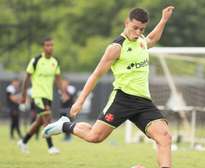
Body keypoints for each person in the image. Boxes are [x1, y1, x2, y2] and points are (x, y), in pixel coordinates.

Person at [43, 6, 174, 167]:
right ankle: (64, 125)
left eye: (142, 29)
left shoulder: (141, 42)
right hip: (122, 99)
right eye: (135, 28)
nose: (138, 32)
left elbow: (152, 39)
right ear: (127, 22)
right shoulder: (116, 47)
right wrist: (79, 101)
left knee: (165, 137)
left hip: (143, 102)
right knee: (94, 137)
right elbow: (96, 74)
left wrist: (163, 20)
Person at [18, 37, 68, 154]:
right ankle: (51, 147)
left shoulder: (54, 62)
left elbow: (58, 79)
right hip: (38, 95)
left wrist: (63, 93)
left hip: (48, 96)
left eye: (51, 45)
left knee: (39, 122)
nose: (49, 47)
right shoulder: (36, 60)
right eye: (47, 45)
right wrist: (23, 94)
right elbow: (27, 77)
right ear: (43, 47)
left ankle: (23, 141)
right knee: (47, 119)